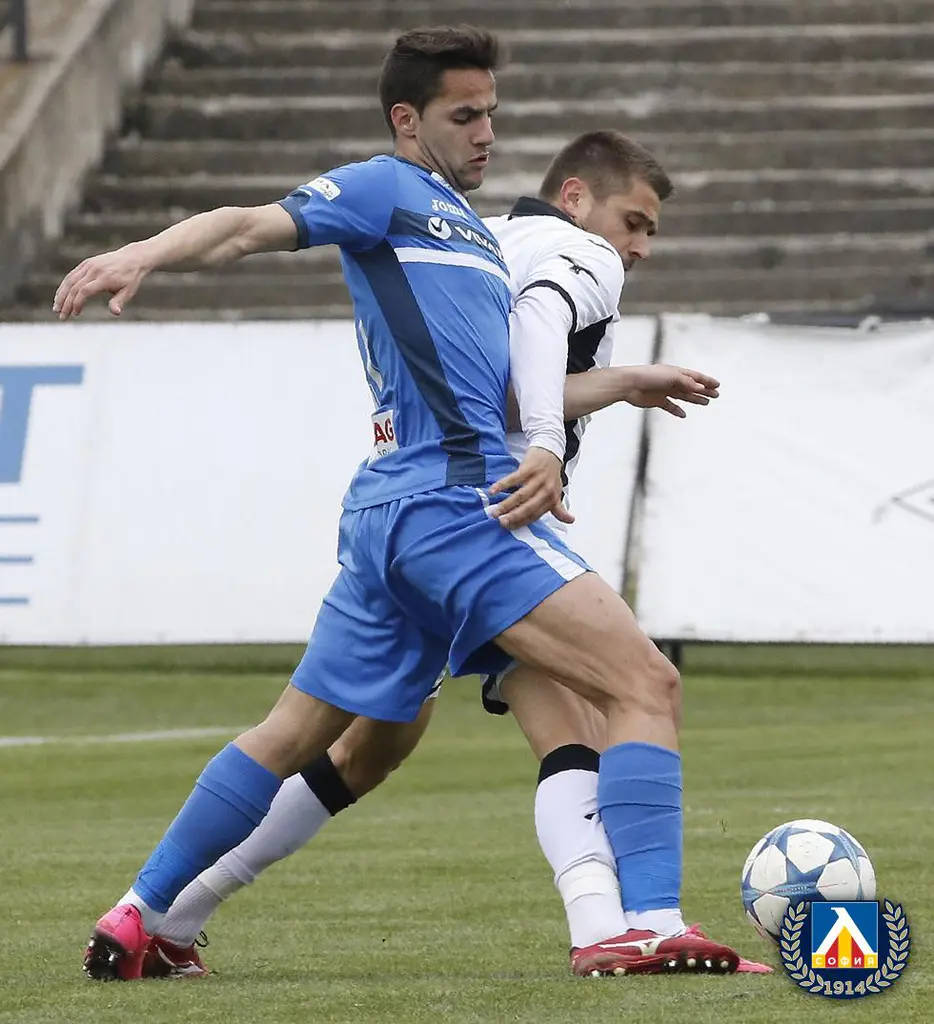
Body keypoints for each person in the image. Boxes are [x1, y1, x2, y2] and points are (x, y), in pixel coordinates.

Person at [56, 27, 741, 982]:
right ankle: (648, 922)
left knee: (297, 736)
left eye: (492, 113)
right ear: (408, 119)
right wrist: (143, 254)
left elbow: (502, 397)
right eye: (465, 115)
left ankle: (145, 916)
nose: (487, 132)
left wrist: (622, 382)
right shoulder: (385, 188)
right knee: (644, 685)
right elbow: (249, 224)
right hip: (458, 506)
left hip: (394, 511)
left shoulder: (478, 237)